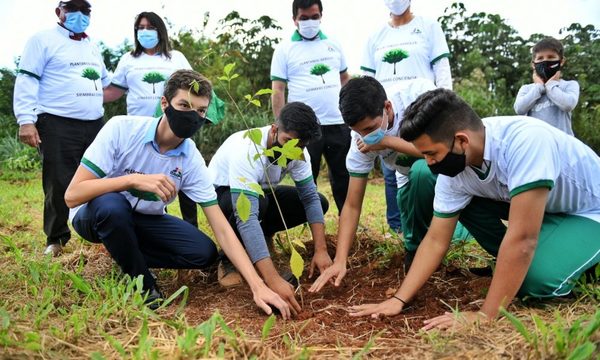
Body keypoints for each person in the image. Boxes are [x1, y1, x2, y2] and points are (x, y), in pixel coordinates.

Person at [347, 88, 600, 330]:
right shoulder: (453, 170)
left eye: (432, 154)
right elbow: (435, 239)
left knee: (535, 281)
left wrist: (485, 315)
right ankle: (520, 260)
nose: (429, 162)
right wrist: (399, 299)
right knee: (478, 217)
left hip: (589, 212)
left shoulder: (525, 142)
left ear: (461, 140)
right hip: (546, 210)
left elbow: (523, 239)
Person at [64, 69, 291, 317]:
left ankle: (122, 249)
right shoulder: (122, 129)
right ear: (165, 103)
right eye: (184, 105)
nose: (192, 116)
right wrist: (131, 180)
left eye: (201, 111)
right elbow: (73, 195)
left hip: (143, 220)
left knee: (202, 253)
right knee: (112, 207)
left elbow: (221, 227)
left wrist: (258, 286)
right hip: (94, 215)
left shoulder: (190, 158)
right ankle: (143, 284)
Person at [310, 76, 440, 293]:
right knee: (413, 223)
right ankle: (417, 252)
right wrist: (340, 260)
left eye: (370, 128)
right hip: (407, 178)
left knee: (422, 172)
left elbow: (441, 149)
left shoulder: (419, 97)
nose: (365, 136)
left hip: (446, 170)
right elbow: (351, 205)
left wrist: (387, 141)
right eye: (358, 131)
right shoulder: (359, 139)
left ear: (387, 107)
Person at [103, 11, 225, 228]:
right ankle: (144, 224)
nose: (145, 32)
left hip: (171, 126)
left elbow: (195, 86)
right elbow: (114, 91)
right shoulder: (128, 60)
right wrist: (87, 95)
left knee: (181, 173)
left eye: (150, 27)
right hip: (138, 132)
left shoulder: (176, 58)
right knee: (147, 182)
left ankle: (190, 225)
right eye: (140, 28)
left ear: (161, 31)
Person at [209, 101, 331, 315]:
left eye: (300, 146)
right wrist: (272, 280)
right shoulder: (247, 148)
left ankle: (261, 242)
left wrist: (321, 250)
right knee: (257, 205)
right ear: (274, 129)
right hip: (224, 197)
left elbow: (309, 198)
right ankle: (228, 260)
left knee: (320, 201)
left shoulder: (297, 151)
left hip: (261, 195)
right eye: (287, 141)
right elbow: (246, 217)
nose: (291, 150)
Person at [13, 0, 109, 256]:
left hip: (94, 124)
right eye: (72, 8)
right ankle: (56, 239)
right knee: (58, 181)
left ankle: (104, 232)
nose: (79, 14)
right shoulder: (42, 40)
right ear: (59, 12)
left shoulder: (92, 46)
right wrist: (26, 120)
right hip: (56, 123)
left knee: (102, 178)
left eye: (85, 9)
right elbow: (27, 79)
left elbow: (108, 85)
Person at [361, 0, 453, 235]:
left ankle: (438, 224)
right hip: (385, 114)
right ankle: (398, 228)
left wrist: (447, 110)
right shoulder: (375, 36)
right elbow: (366, 80)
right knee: (394, 170)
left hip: (420, 110)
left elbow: (442, 70)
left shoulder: (428, 27)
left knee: (428, 167)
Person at [270, 0, 350, 215]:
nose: (310, 22)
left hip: (338, 122)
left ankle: (348, 220)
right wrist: (281, 126)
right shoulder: (285, 49)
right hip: (303, 128)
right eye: (304, 18)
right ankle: (310, 220)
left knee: (344, 176)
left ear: (321, 15)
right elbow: (278, 90)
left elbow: (344, 79)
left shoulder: (334, 44)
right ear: (294, 19)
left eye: (314, 17)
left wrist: (352, 114)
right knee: (306, 177)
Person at [514, 37, 579, 135]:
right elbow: (519, 109)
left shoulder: (569, 85)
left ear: (561, 61)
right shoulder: (527, 89)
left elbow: (568, 105)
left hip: (562, 146)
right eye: (540, 58)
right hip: (536, 145)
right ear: (533, 64)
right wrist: (539, 86)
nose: (545, 61)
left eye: (551, 57)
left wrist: (550, 85)